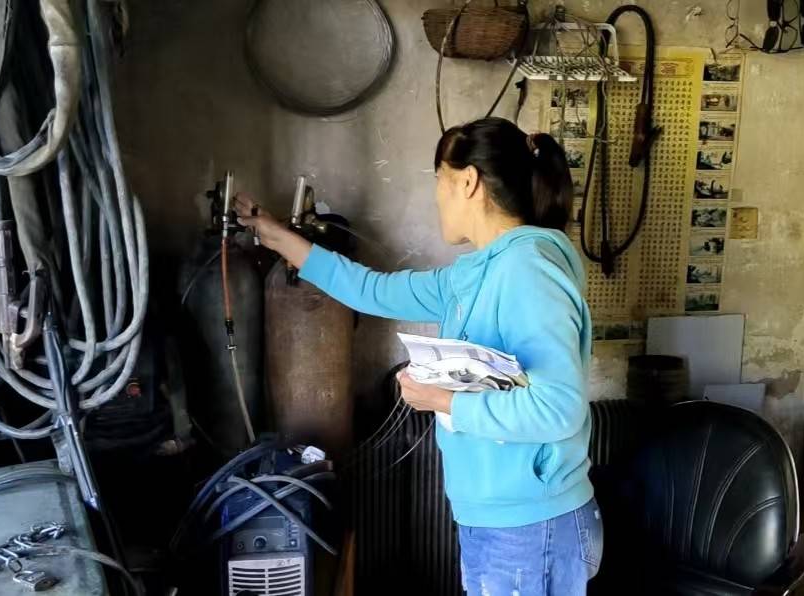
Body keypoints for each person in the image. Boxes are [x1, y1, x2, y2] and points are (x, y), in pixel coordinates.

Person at [235, 117, 600, 595]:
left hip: (531, 526)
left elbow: (558, 409)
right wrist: (276, 235)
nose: (437, 197)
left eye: (440, 182)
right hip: (504, 521)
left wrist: (443, 400)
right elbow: (372, 290)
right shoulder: (476, 275)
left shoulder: (527, 272)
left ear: (468, 182)